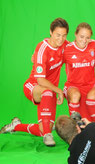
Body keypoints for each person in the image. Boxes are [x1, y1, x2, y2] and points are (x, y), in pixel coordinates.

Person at [0, 18, 69, 147]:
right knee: (48, 92)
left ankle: (16, 126)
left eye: (64, 35)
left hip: (50, 91)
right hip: (34, 85)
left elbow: (79, 48)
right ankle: (49, 134)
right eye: (58, 35)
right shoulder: (42, 48)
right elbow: (40, 80)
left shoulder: (65, 46)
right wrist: (59, 90)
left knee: (42, 130)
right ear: (51, 32)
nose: (61, 39)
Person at [63, 22, 95, 121]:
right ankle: (75, 127)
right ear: (75, 34)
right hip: (73, 87)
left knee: (89, 124)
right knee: (75, 96)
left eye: (87, 37)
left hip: (90, 88)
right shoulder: (67, 49)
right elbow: (53, 58)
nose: (84, 40)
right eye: (81, 36)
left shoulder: (94, 45)